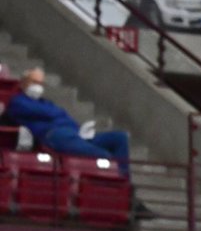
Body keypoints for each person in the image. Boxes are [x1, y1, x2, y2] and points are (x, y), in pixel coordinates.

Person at [4, 68, 134, 178]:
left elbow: (58, 115)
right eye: (34, 82)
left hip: (74, 133)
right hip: (55, 135)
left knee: (120, 137)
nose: (38, 87)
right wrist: (57, 114)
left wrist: (80, 129)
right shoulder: (18, 102)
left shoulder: (47, 103)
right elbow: (53, 113)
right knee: (104, 156)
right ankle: (116, 179)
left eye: (41, 83)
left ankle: (124, 180)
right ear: (24, 82)